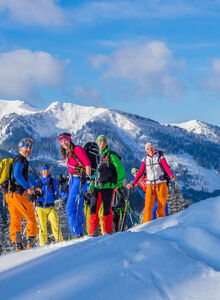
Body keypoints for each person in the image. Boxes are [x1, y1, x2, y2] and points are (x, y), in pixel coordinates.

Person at [127, 142, 176, 223]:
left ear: (154, 148)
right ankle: (146, 224)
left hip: (161, 183)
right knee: (148, 205)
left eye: (151, 148)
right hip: (150, 185)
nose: (150, 150)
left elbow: (166, 167)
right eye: (148, 149)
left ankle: (161, 223)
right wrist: (133, 183)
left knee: (161, 205)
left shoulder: (160, 157)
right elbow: (140, 172)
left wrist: (171, 175)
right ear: (146, 150)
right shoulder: (145, 159)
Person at [5, 138, 39, 251]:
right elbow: (18, 175)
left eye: (30, 147)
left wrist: (35, 185)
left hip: (10, 195)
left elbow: (27, 176)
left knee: (15, 219)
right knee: (31, 217)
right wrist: (29, 188)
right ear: (20, 148)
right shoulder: (21, 159)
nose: (29, 149)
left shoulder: (19, 159)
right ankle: (30, 244)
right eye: (26, 147)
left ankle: (17, 245)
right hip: (19, 194)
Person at [89, 135, 125, 236]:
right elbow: (92, 174)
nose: (102, 143)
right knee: (93, 209)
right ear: (97, 143)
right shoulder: (94, 156)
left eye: (103, 142)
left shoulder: (111, 155)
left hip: (108, 187)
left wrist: (118, 184)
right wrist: (90, 187)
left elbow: (120, 169)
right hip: (96, 188)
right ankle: (93, 232)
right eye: (100, 142)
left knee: (107, 210)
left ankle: (108, 232)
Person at [58, 132, 91, 238]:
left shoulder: (77, 149)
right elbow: (73, 168)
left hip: (80, 180)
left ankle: (77, 234)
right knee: (78, 207)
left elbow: (87, 164)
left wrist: (88, 180)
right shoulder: (69, 152)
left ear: (70, 140)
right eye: (62, 142)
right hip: (73, 180)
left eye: (65, 141)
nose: (64, 143)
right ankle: (81, 231)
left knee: (70, 208)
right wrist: (66, 179)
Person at [35, 164, 67, 246]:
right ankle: (43, 245)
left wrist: (65, 193)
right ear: (41, 172)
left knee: (55, 224)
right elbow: (31, 192)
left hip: (50, 207)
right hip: (40, 207)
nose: (45, 172)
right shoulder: (37, 182)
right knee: (42, 227)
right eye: (43, 170)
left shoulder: (53, 181)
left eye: (46, 170)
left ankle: (61, 242)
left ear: (49, 171)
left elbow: (59, 193)